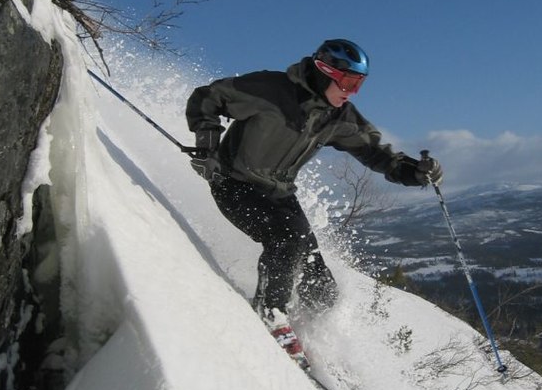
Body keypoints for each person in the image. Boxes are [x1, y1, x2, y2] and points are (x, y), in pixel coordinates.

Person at [186, 38, 443, 366]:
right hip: (233, 183)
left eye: (359, 84)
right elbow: (208, 98)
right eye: (348, 82)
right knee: (286, 239)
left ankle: (312, 334)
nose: (352, 92)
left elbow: (375, 151)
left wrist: (413, 172)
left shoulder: (337, 116)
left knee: (319, 281)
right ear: (324, 72)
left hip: (280, 194)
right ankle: (271, 313)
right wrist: (207, 145)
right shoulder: (270, 89)